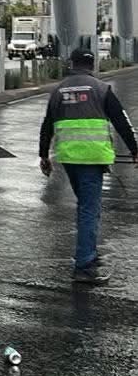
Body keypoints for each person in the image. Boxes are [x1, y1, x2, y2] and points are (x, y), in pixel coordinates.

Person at [39, 48, 138, 285]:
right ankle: (84, 266)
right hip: (92, 159)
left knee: (86, 207)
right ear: (92, 66)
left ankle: (89, 254)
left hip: (68, 159)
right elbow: (121, 121)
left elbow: (47, 125)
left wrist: (44, 156)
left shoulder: (58, 90)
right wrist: (135, 149)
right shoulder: (101, 89)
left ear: (72, 64)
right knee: (88, 210)